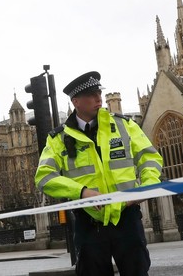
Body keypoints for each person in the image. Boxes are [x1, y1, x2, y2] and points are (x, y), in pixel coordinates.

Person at [35, 71, 164, 276]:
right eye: (91, 94)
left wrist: (145, 188)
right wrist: (82, 192)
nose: (98, 98)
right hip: (89, 224)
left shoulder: (124, 125)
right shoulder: (58, 139)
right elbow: (44, 177)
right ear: (76, 101)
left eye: (99, 92)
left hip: (127, 218)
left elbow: (150, 158)